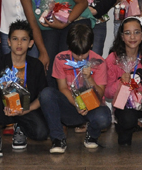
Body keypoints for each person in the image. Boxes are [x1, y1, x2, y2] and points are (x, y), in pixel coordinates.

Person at [39, 22, 113, 153]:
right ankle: (58, 138)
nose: (79, 57)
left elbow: (100, 94)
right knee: (46, 94)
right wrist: (78, 104)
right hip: (71, 105)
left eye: (83, 53)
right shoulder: (61, 59)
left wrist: (89, 78)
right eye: (75, 53)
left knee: (103, 117)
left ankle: (92, 135)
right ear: (69, 46)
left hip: (92, 106)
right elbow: (62, 88)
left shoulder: (99, 62)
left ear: (91, 45)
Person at [0, 20, 50, 157]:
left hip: (24, 110)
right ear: (9, 42)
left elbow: (42, 96)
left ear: (30, 43)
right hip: (3, 110)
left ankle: (20, 128)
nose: (19, 43)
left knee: (41, 133)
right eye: (15, 39)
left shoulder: (36, 65)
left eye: (24, 39)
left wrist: (25, 111)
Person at [104, 17, 142, 150]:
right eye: (127, 33)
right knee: (126, 128)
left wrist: (139, 91)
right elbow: (107, 92)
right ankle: (124, 129)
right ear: (122, 37)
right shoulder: (113, 59)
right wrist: (120, 83)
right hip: (123, 104)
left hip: (141, 101)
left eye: (136, 32)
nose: (132, 37)